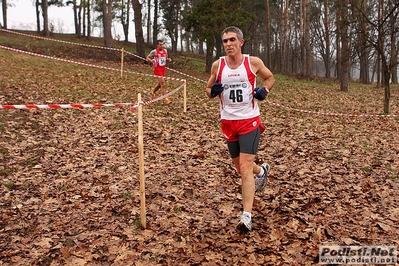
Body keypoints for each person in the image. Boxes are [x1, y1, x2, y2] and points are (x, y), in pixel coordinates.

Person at [205, 26, 275, 233]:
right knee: (240, 168)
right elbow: (208, 89)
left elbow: (270, 77)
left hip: (249, 120)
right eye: (225, 41)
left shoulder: (252, 63)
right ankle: (262, 171)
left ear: (241, 42)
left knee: (244, 168)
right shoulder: (217, 66)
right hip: (228, 122)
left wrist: (265, 90)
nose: (228, 44)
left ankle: (246, 217)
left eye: (232, 40)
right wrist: (212, 91)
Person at [146, 40, 172, 104]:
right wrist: (151, 60)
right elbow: (147, 57)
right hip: (157, 69)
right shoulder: (154, 51)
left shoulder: (165, 51)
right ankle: (166, 98)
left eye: (162, 44)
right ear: (157, 45)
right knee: (163, 83)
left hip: (163, 68)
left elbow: (166, 58)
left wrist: (168, 60)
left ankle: (152, 92)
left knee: (160, 84)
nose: (162, 46)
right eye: (160, 44)